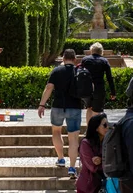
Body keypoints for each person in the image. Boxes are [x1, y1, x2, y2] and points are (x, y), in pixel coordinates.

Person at [37, 49, 81, 179]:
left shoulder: (56, 71)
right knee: (73, 138)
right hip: (74, 107)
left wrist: (42, 104)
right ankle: (72, 167)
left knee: (56, 131)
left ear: (63, 58)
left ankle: (61, 159)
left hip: (58, 106)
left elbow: (49, 88)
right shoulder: (78, 71)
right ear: (74, 59)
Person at [81, 42, 116, 123]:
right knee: (97, 111)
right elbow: (109, 78)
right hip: (99, 89)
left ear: (91, 50)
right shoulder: (104, 61)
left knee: (89, 108)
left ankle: (89, 130)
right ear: (101, 51)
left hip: (86, 88)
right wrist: (113, 92)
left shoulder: (85, 60)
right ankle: (95, 131)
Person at [76, 114, 109, 193]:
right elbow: (93, 166)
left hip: (104, 185)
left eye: (108, 124)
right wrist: (107, 162)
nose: (108, 127)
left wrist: (101, 160)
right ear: (96, 128)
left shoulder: (108, 142)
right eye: (105, 125)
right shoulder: (85, 143)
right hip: (88, 186)